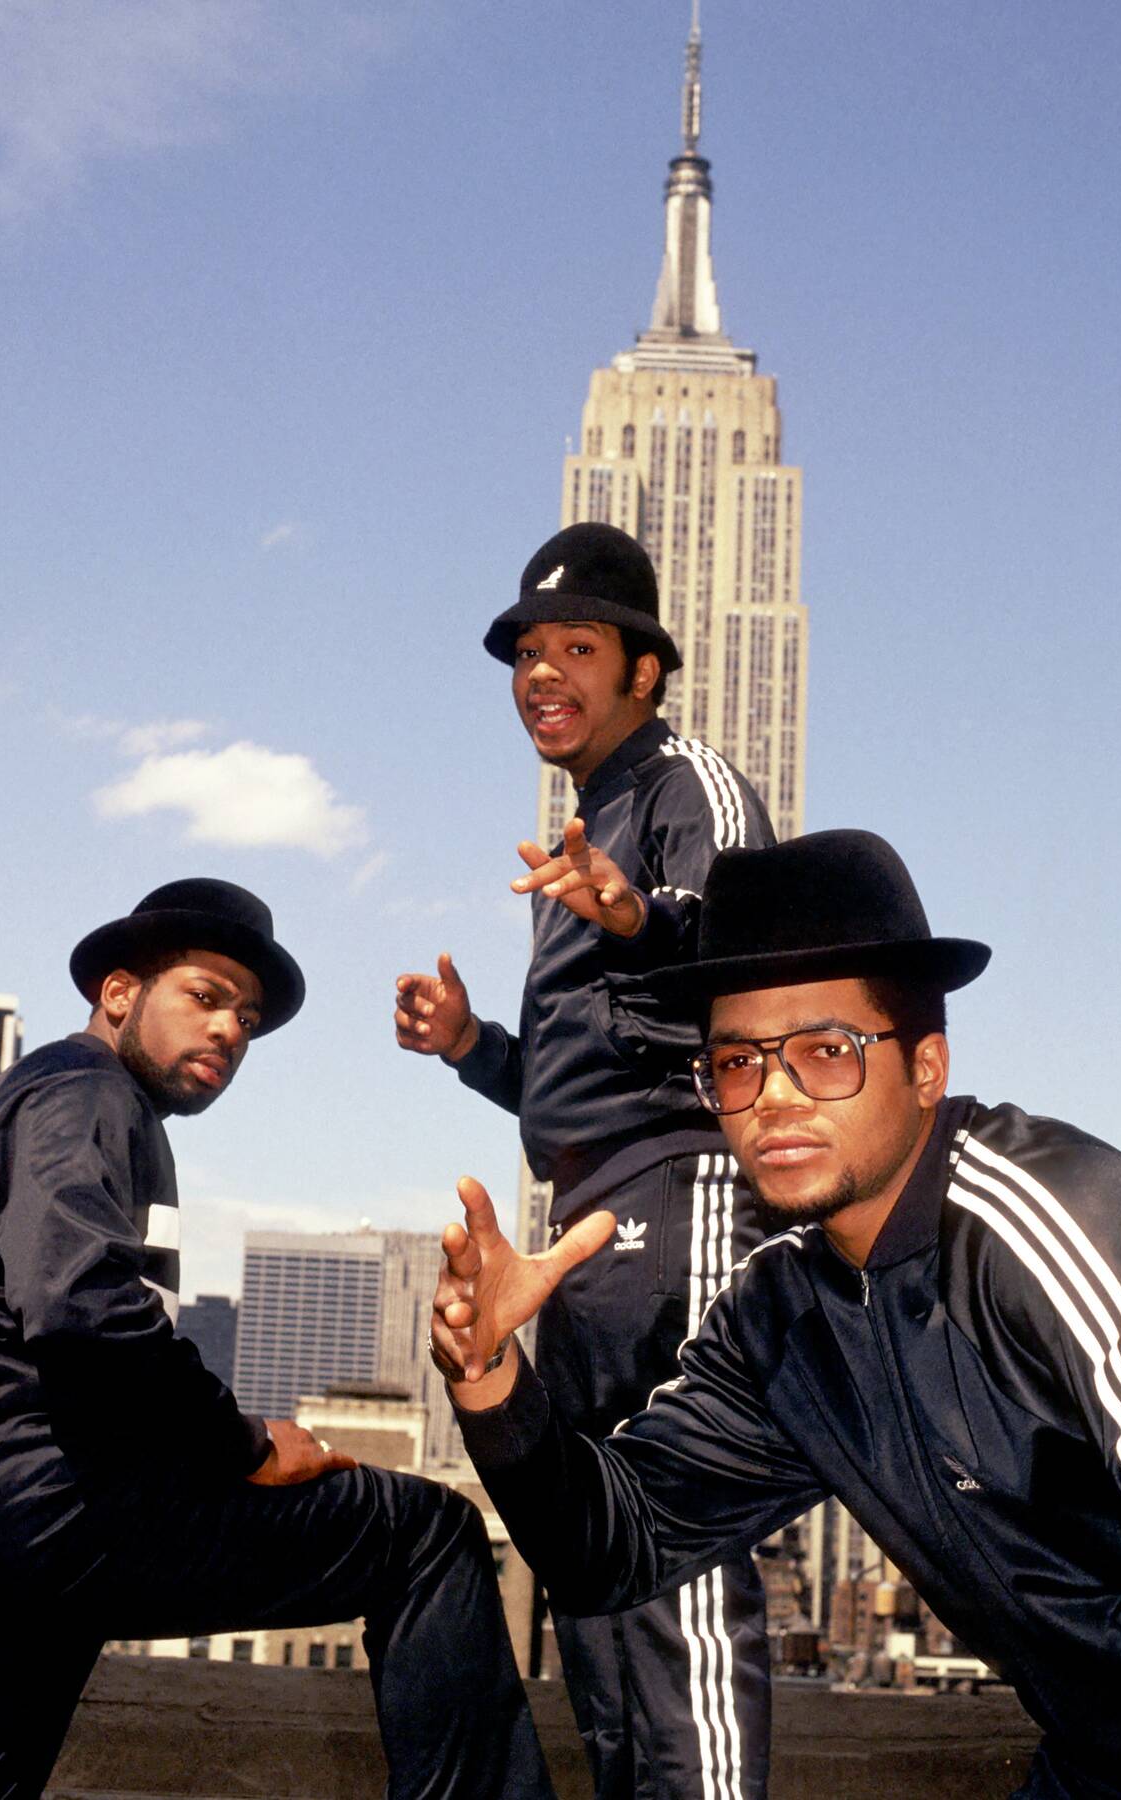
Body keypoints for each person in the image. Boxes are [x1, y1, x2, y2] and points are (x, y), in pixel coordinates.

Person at [432, 827, 1121, 1800]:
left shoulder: (1059, 1226)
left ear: (925, 1067)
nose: (775, 1097)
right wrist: (490, 1378)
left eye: (827, 1051)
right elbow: (611, 1548)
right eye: (737, 1063)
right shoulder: (783, 1315)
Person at [0, 878, 552, 1800]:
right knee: (426, 1533)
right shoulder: (83, 1092)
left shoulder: (60, 1101)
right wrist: (247, 1444)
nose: (230, 1031)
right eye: (206, 997)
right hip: (49, 1503)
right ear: (118, 993)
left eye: (249, 1020)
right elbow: (81, 1311)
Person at [397, 522, 776, 1799]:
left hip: (682, 1181)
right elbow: (581, 1076)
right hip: (588, 1204)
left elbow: (744, 960)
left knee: (678, 1526)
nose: (542, 673)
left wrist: (639, 915)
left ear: (643, 671)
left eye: (577, 647)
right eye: (526, 653)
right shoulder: (584, 827)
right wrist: (468, 1047)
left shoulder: (688, 790)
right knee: (598, 1549)